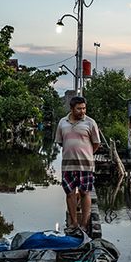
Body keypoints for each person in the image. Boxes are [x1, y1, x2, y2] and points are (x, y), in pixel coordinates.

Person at [55, 96, 100, 236]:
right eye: (79, 109)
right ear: (72, 109)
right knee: (69, 193)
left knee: (84, 193)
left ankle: (84, 224)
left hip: (85, 165)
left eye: (84, 108)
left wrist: (86, 154)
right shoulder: (63, 122)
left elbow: (96, 143)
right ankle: (74, 223)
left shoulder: (90, 123)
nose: (82, 111)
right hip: (68, 165)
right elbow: (60, 142)